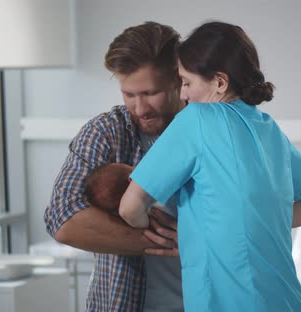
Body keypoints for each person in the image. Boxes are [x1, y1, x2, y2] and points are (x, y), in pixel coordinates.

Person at [119, 21, 301, 312]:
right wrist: (258, 220)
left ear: (219, 83)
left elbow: (130, 207)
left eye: (187, 82)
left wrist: (165, 230)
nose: (183, 94)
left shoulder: (196, 119)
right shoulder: (269, 129)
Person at [44, 21, 185, 311]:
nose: (140, 108)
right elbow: (63, 220)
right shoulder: (106, 132)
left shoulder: (211, 132)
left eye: (150, 93)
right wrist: (174, 243)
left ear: (178, 78)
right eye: (129, 95)